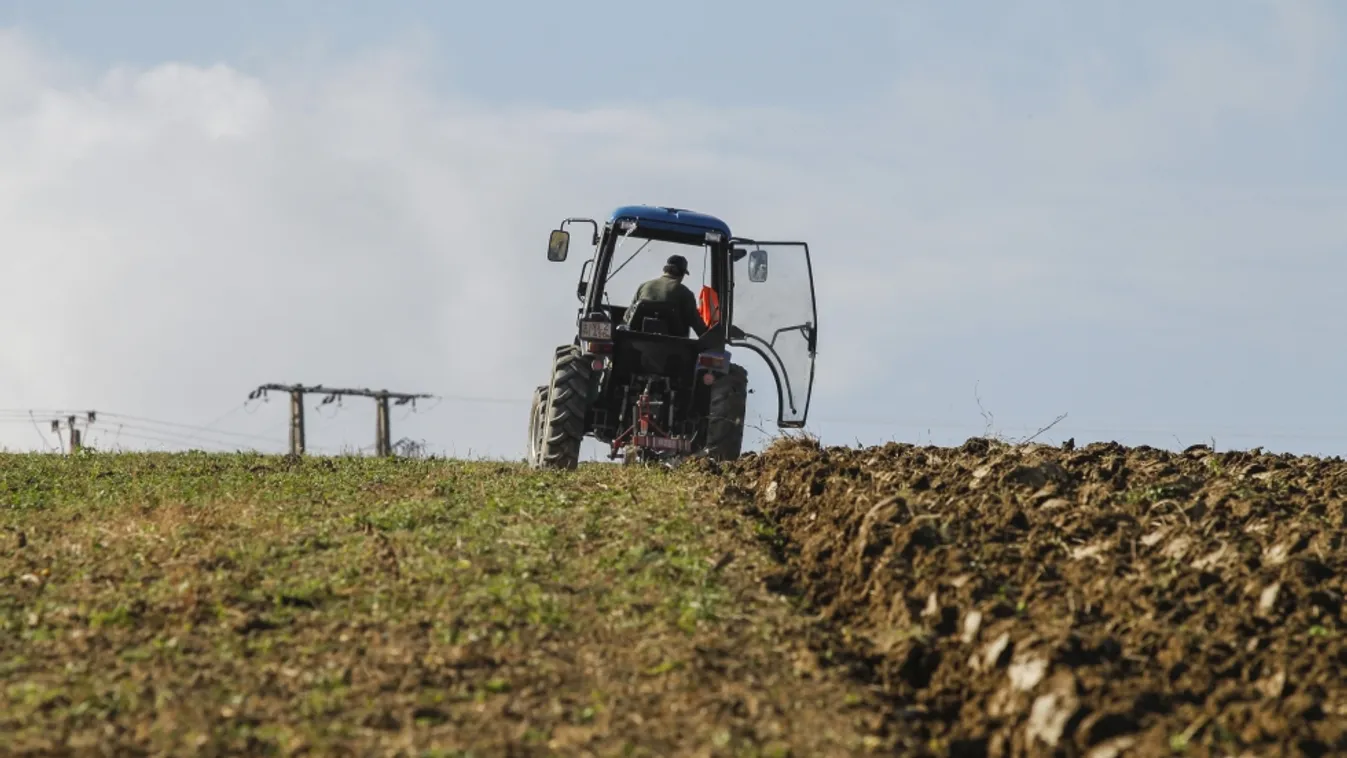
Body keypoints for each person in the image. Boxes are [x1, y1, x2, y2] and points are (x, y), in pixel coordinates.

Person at [625, 254, 709, 338]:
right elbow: (698, 326)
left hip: (637, 343)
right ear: (682, 274)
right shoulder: (685, 293)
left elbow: (627, 317)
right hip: (673, 348)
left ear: (665, 270)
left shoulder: (643, 286)